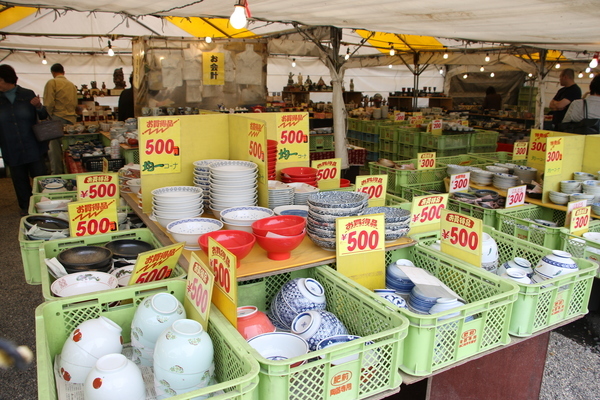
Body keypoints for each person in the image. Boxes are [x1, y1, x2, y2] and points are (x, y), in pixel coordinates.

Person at [0, 64, 49, 215]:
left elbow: (43, 116)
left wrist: (39, 106)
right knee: (19, 180)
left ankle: (45, 205)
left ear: (4, 79)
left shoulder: (27, 94)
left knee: (39, 178)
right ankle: (26, 208)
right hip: (11, 145)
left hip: (32, 144)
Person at [43, 63, 78, 174]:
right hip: (71, 121)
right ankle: (72, 174)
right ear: (63, 72)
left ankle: (58, 175)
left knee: (54, 151)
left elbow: (48, 103)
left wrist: (46, 117)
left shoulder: (52, 82)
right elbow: (75, 103)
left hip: (56, 119)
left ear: (53, 72)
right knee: (71, 151)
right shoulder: (71, 85)